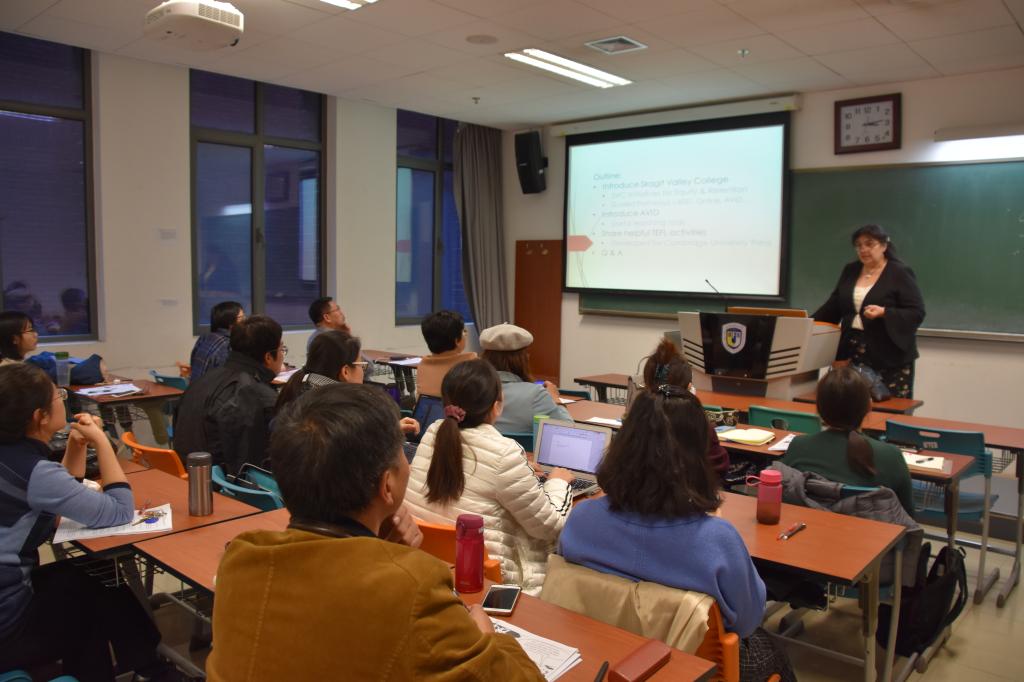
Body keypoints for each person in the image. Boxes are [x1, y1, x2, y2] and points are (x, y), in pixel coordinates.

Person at [206, 382, 544, 681]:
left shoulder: (239, 560)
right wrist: (487, 639)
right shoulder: (414, 588)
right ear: (387, 485)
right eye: (401, 454)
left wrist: (385, 552)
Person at [559, 387, 794, 682]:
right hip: (693, 669)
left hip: (601, 656)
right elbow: (748, 621)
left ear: (623, 444)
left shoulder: (581, 519)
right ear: (698, 454)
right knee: (775, 653)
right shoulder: (717, 540)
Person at [0, 363, 169, 681]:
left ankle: (149, 667)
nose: (63, 398)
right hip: (7, 628)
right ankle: (152, 668)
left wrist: (76, 446)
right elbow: (119, 511)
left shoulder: (14, 460)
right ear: (40, 416)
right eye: (58, 396)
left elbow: (56, 496)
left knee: (89, 576)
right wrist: (103, 442)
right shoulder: (33, 471)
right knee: (90, 606)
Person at [404, 360, 574, 595]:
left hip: (436, 568)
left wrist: (520, 472)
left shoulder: (434, 432)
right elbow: (550, 526)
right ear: (497, 406)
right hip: (493, 583)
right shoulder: (504, 454)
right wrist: (558, 482)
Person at [813, 224, 925, 398]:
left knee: (889, 405)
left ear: (884, 246)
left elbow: (916, 312)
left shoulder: (899, 272)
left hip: (889, 354)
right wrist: (806, 323)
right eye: (858, 245)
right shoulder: (851, 270)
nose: (863, 249)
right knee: (852, 402)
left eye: (869, 244)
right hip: (852, 350)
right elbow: (833, 307)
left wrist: (884, 312)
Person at [781, 366, 913, 514]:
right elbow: (907, 515)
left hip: (807, 525)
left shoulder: (799, 446)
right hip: (869, 528)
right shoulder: (891, 455)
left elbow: (783, 493)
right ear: (869, 406)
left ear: (818, 407)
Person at [173, 315, 284, 475]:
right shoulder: (259, 397)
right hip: (220, 484)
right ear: (268, 357)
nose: (282, 355)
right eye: (282, 349)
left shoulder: (203, 380)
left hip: (185, 475)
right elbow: (253, 468)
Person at [274, 330, 418, 436]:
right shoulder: (338, 405)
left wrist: (390, 430)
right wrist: (391, 434)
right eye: (361, 365)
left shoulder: (302, 384)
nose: (363, 371)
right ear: (345, 372)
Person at [639, 338, 730, 476]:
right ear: (688, 388)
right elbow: (720, 468)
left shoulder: (635, 422)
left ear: (646, 385)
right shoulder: (701, 427)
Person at [479, 323, 571, 435]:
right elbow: (567, 431)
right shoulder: (536, 395)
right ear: (522, 359)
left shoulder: (470, 389)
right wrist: (555, 399)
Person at [416, 309, 477, 397]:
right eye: (464, 331)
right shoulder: (471, 363)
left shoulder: (423, 364)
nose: (466, 333)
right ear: (456, 340)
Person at [188, 301, 245, 383]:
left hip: (194, 388)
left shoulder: (205, 337)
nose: (245, 321)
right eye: (241, 318)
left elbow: (192, 363)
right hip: (210, 389)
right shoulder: (228, 344)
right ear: (230, 322)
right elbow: (226, 379)